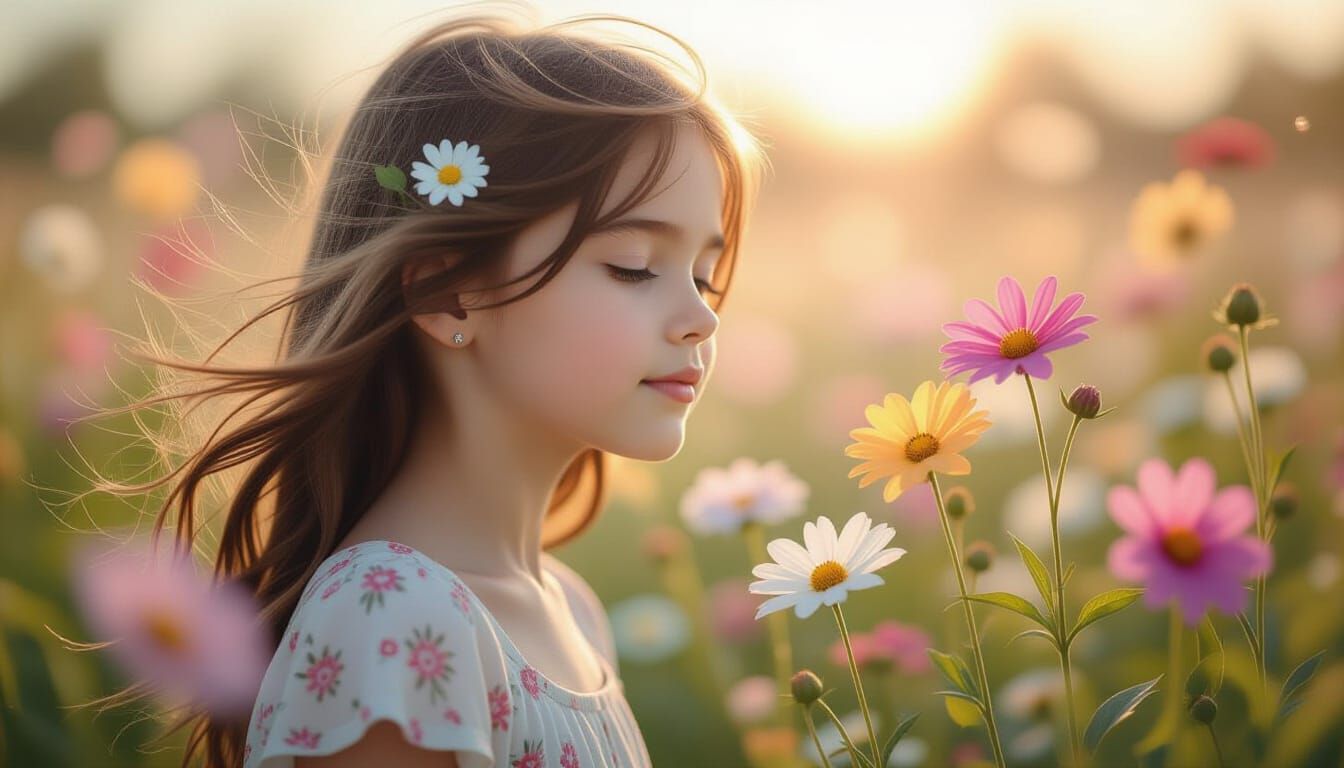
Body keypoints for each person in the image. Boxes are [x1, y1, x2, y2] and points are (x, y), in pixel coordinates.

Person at [98, 5, 766, 767]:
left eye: (706, 277)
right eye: (634, 266)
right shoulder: (390, 616)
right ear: (449, 296)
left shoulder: (571, 609)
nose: (699, 319)